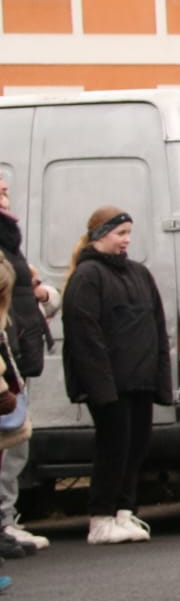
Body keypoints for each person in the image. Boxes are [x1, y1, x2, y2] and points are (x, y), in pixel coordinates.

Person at [61, 207, 172, 544]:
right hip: (109, 384)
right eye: (120, 233)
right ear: (99, 235)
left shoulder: (140, 274)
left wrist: (159, 380)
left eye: (128, 234)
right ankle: (100, 516)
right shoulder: (87, 276)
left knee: (136, 446)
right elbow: (85, 335)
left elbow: (156, 327)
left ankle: (124, 510)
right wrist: (101, 387)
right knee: (113, 447)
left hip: (139, 380)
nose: (126, 240)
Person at [0, 174, 55, 553]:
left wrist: (42, 292)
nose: (6, 189)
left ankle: (7, 518)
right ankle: (4, 521)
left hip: (17, 348)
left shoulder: (9, 236)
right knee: (10, 440)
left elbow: (25, 288)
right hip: (9, 349)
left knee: (15, 442)